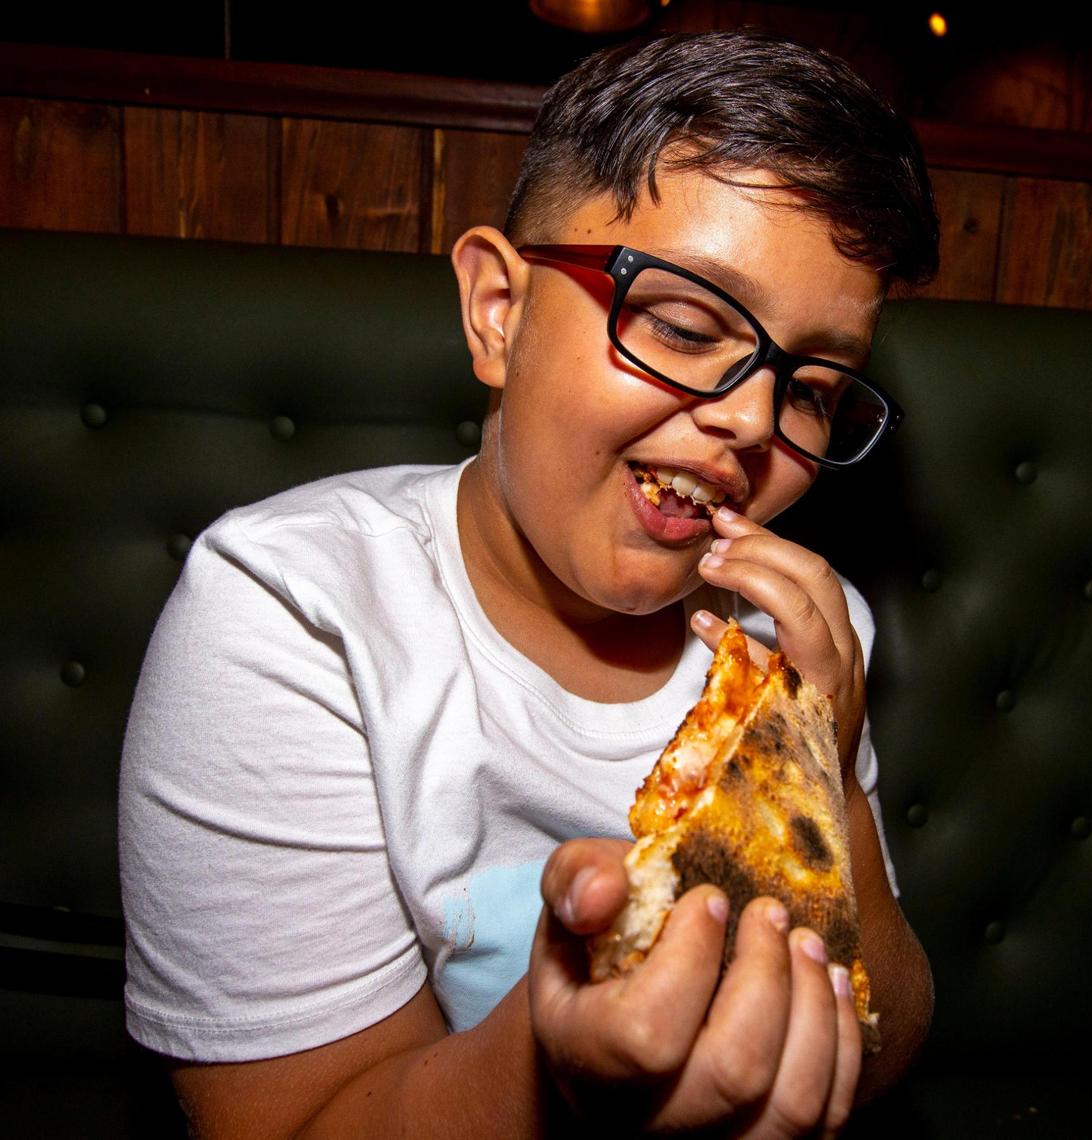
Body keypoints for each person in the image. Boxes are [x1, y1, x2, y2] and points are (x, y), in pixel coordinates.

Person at [119, 28, 939, 1138]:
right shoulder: (292, 615)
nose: (751, 420)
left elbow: (879, 1041)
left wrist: (827, 764)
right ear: (499, 312)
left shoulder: (801, 629)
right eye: (688, 326)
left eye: (814, 390)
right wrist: (554, 1066)